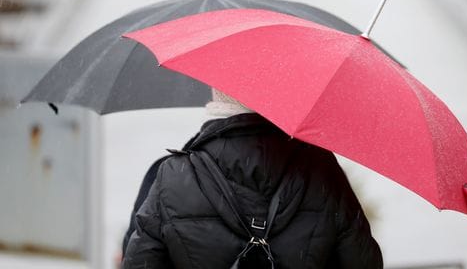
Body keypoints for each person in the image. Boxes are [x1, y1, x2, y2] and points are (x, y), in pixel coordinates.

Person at [122, 89, 383, 268]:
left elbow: (140, 260)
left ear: (217, 99)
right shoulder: (322, 171)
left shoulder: (173, 175)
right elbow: (362, 261)